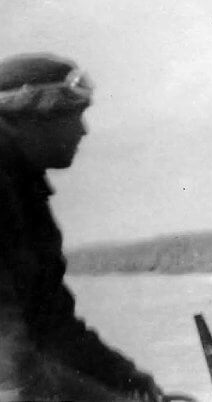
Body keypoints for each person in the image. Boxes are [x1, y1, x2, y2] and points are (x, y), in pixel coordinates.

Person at [0, 53, 163, 401]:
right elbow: (12, 372)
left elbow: (53, 326)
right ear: (34, 114)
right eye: (75, 115)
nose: (83, 130)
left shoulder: (23, 187)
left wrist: (127, 380)